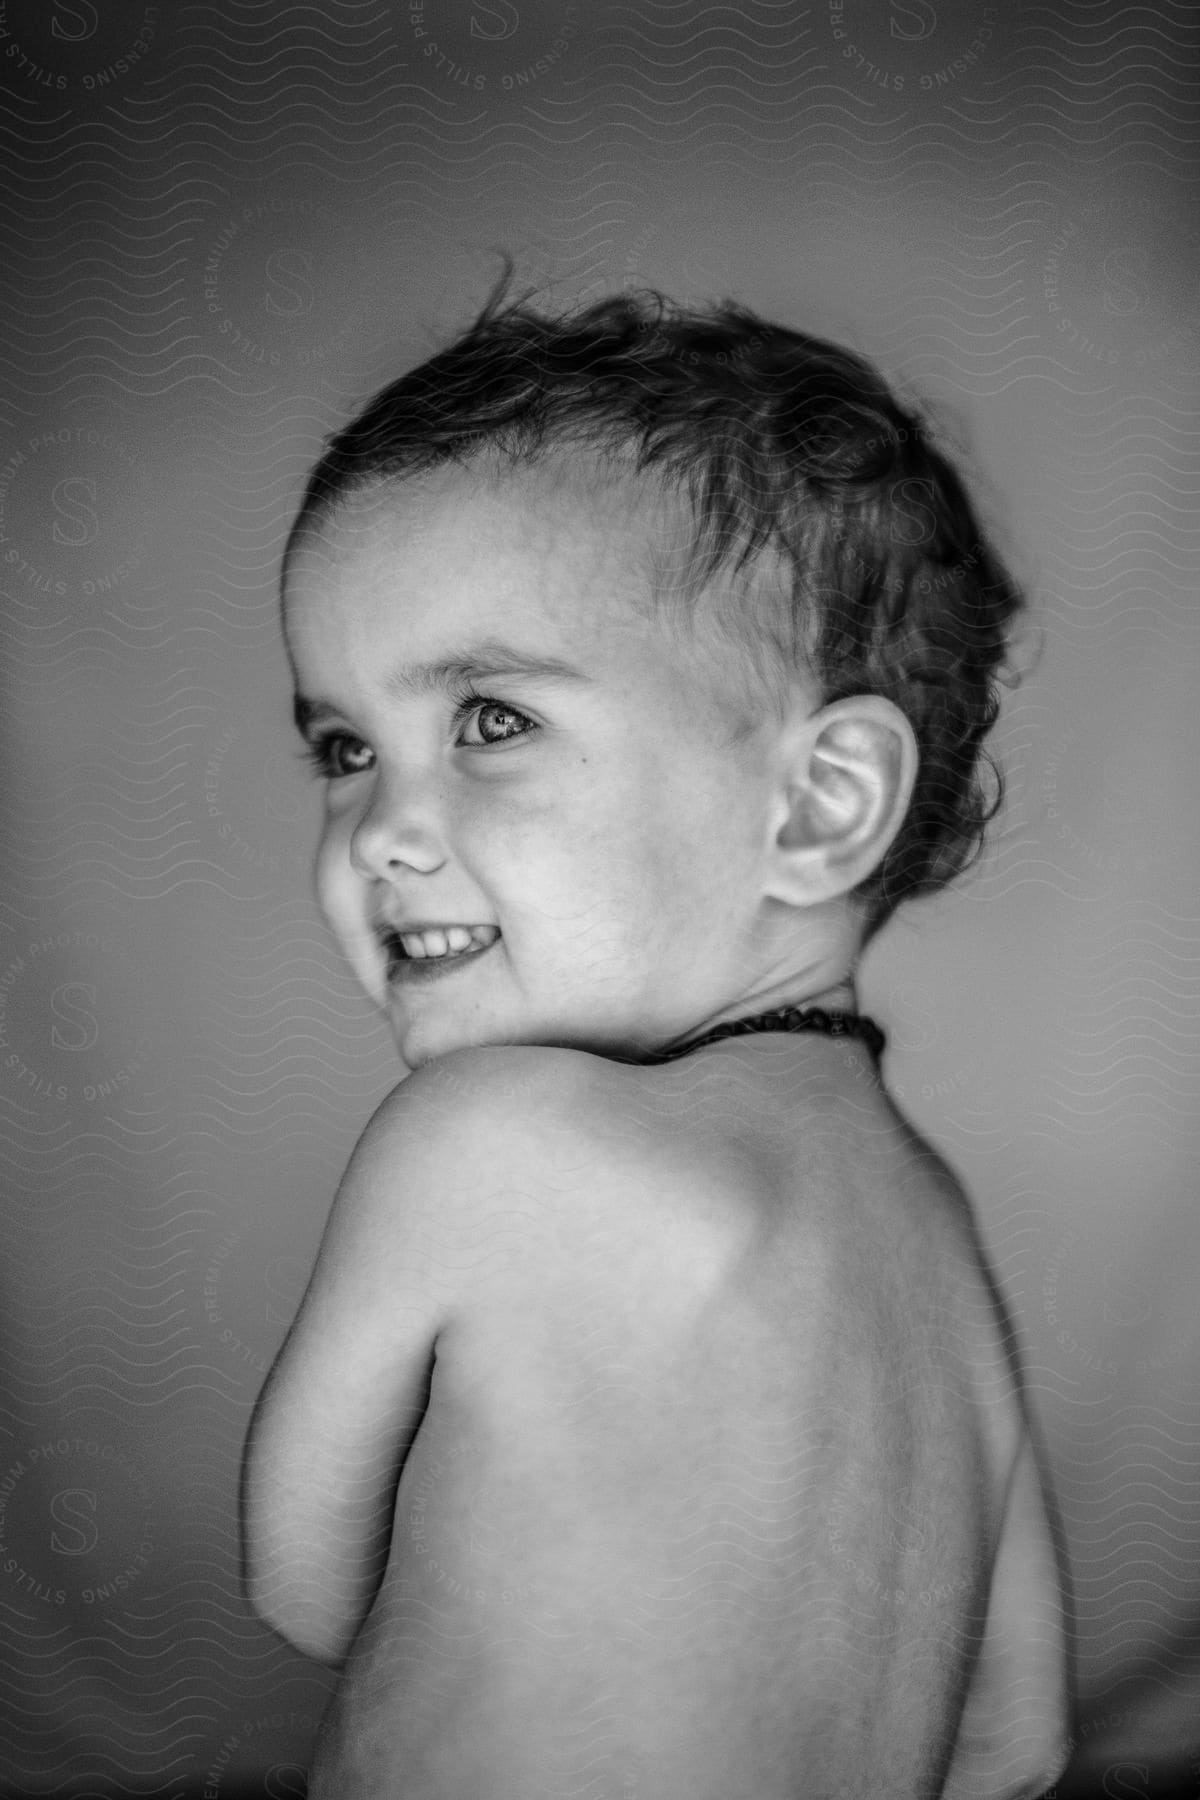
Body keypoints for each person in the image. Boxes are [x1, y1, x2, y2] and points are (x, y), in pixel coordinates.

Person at [240, 273, 1074, 1799]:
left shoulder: (487, 1146)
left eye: (490, 720)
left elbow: (303, 1592)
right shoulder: (935, 1246)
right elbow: (1016, 1748)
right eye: (345, 747)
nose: (377, 829)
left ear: (819, 805)